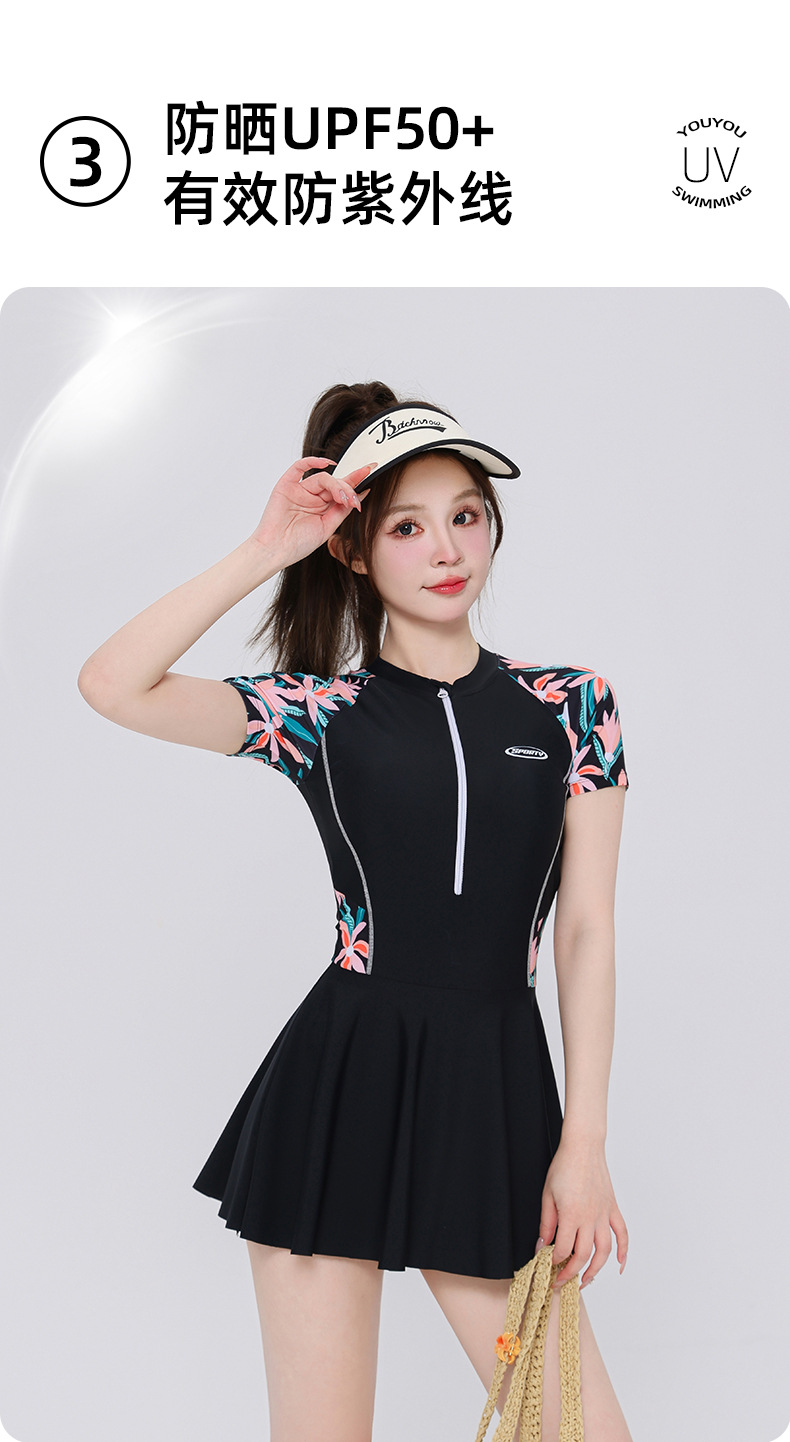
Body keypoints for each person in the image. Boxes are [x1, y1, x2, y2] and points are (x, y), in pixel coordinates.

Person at [78, 379, 633, 1442]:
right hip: (338, 1092)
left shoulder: (573, 704)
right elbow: (112, 683)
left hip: (494, 1092)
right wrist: (267, 547)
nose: (447, 549)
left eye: (465, 514)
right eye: (407, 526)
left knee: (576, 1428)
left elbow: (586, 930)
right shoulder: (317, 713)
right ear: (355, 549)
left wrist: (585, 1142)